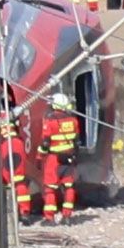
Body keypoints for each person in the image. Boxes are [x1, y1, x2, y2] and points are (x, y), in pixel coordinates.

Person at [37, 93, 80, 224]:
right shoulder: (73, 121)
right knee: (69, 187)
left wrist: (39, 157)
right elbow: (77, 140)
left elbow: (45, 143)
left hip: (53, 159)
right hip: (69, 158)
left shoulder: (50, 121)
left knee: (50, 188)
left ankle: (49, 218)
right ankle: (67, 216)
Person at [0, 113, 32, 221]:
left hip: (7, 176)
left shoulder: (3, 143)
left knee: (7, 186)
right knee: (22, 188)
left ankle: (9, 213)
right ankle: (24, 213)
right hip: (19, 176)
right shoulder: (19, 142)